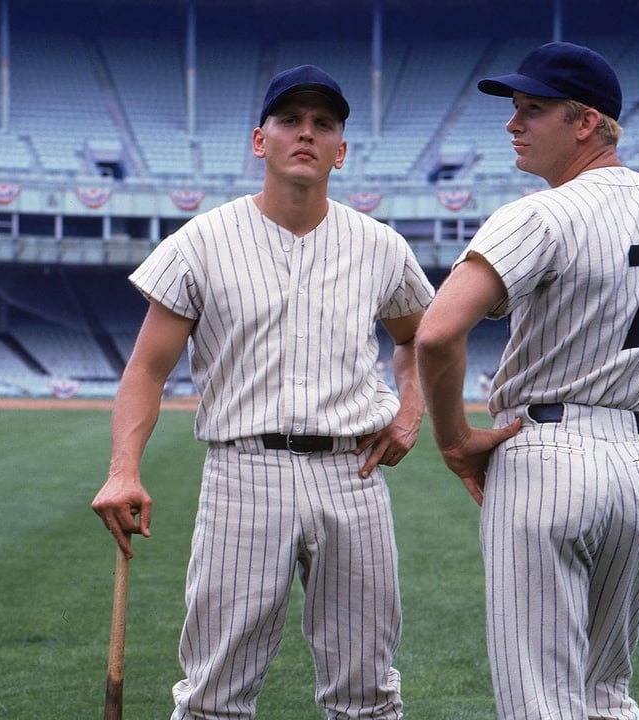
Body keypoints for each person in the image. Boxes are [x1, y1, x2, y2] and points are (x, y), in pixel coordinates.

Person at [414, 42, 639, 720]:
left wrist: (454, 441)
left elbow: (435, 332)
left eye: (532, 109)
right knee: (606, 697)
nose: (513, 123)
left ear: (586, 122)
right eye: (515, 109)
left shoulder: (539, 214)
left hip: (544, 456)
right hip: (638, 467)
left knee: (540, 701)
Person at [91, 64, 434, 720]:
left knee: (367, 692)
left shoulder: (381, 247)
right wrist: (123, 468)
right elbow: (147, 370)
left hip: (351, 474)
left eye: (323, 124)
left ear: (341, 150)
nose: (306, 133)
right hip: (244, 472)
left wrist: (410, 410)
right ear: (260, 140)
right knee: (215, 694)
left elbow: (419, 337)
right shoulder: (201, 241)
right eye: (290, 120)